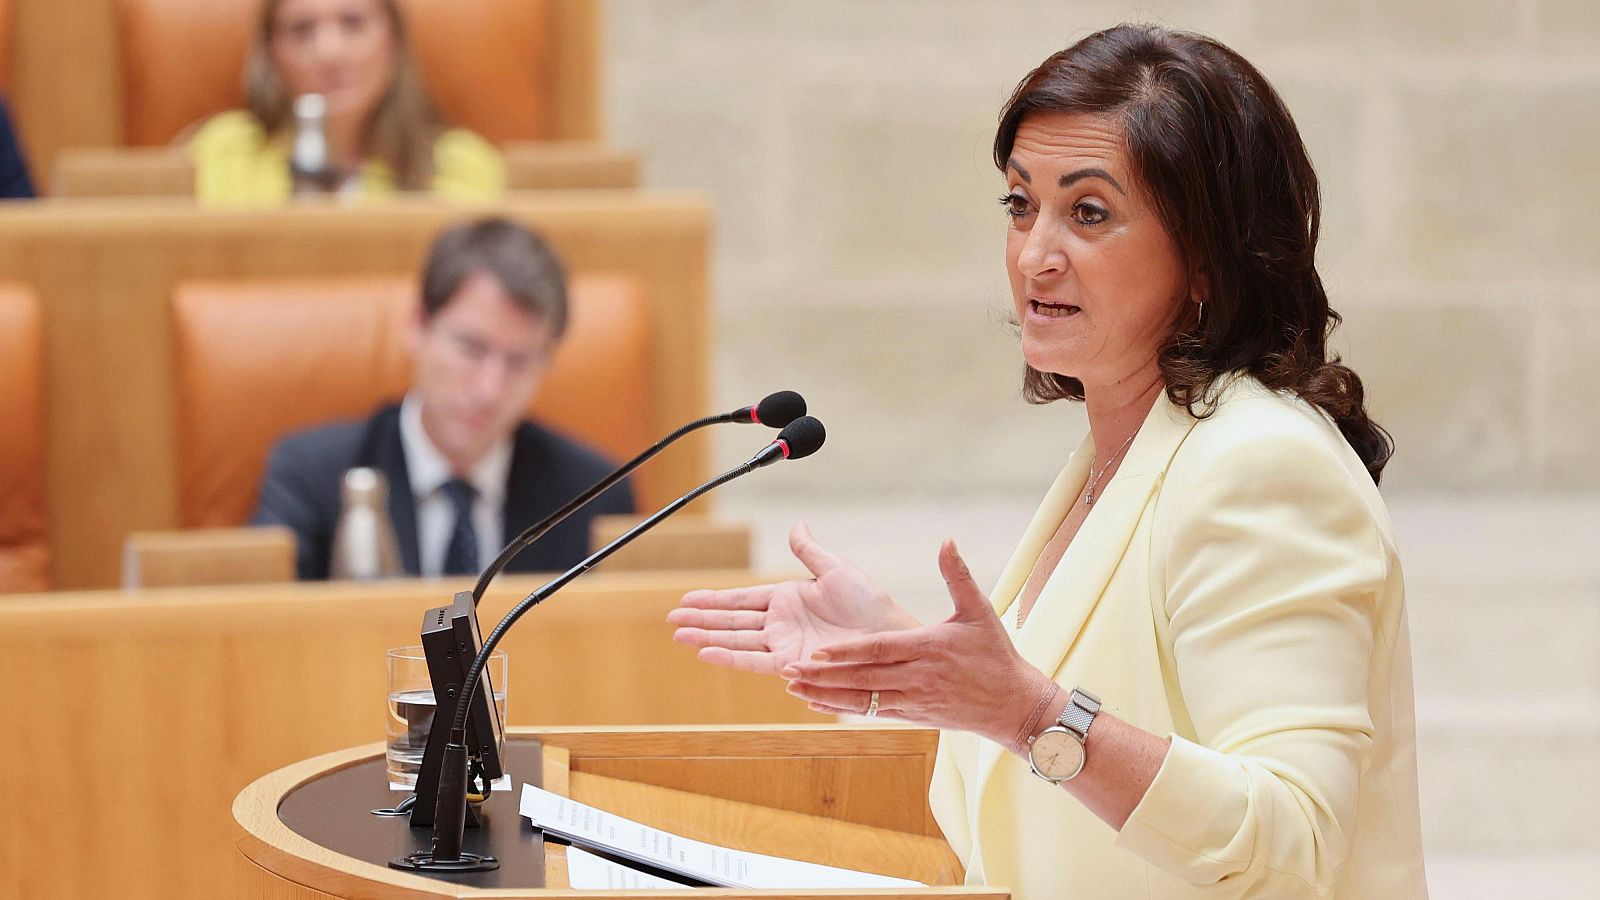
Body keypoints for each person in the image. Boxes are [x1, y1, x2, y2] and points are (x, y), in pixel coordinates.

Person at [669, 24, 1427, 899]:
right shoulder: (1129, 452)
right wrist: (909, 660)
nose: (1035, 254)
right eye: (1021, 205)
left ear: (1208, 260)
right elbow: (1075, 731)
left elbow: (1292, 839)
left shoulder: (1259, 470)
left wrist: (1026, 712)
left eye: (1090, 213)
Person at [254, 217, 633, 579]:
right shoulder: (311, 477)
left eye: (518, 362)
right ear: (419, 326)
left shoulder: (592, 497)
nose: (489, 390)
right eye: (471, 348)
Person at [189, 0, 503, 206]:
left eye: (353, 23)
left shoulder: (461, 167)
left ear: (393, 39)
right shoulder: (219, 154)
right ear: (271, 54)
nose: (330, 53)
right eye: (302, 30)